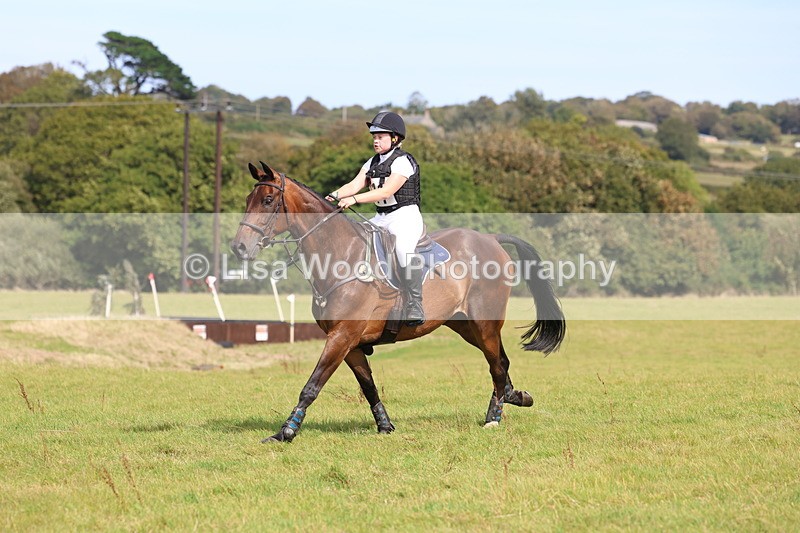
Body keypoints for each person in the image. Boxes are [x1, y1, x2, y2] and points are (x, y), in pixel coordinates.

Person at [326, 111, 425, 326]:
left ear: (395, 138)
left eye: (380, 137)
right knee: (355, 241)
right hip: (381, 217)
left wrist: (354, 199)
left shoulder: (403, 161)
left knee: (403, 251)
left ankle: (415, 303)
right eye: (374, 137)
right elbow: (354, 185)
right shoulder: (372, 162)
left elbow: (385, 192)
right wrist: (332, 196)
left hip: (404, 216)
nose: (375, 141)